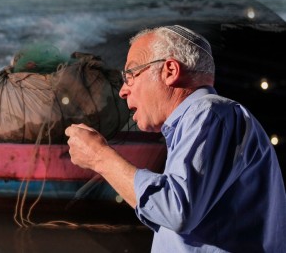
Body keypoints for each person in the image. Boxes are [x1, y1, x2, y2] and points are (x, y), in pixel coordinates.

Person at [66, 25, 286, 252]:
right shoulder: (207, 120)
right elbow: (168, 211)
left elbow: (176, 208)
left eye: (130, 75)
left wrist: (99, 156)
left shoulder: (210, 112)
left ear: (169, 70)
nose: (123, 90)